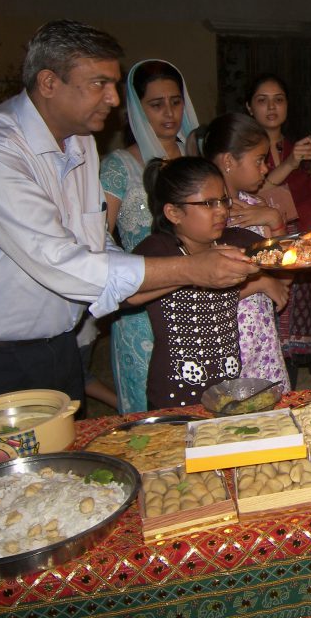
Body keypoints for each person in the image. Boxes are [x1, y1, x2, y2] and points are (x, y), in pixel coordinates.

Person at [0, 19, 257, 403]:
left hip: (58, 349)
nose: (114, 99)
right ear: (49, 83)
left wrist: (152, 278)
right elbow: (59, 261)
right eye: (100, 84)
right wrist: (188, 269)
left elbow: (94, 244)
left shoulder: (79, 143)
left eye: (114, 84)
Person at [128, 157, 279, 408]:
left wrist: (276, 221)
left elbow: (283, 256)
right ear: (174, 212)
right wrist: (192, 272)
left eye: (222, 200)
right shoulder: (157, 251)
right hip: (176, 392)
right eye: (208, 203)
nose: (221, 210)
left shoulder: (234, 241)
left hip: (227, 387)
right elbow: (121, 295)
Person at [100, 59, 200, 413]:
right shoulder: (119, 166)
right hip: (143, 312)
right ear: (135, 110)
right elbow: (97, 242)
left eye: (176, 101)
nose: (169, 113)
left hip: (199, 306)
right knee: (152, 421)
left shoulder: (197, 159)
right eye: (156, 105)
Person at [246, 73, 311, 388]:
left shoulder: (298, 150)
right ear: (249, 107)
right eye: (262, 100)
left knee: (304, 337)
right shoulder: (240, 151)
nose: (271, 107)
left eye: (279, 99)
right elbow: (249, 195)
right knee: (264, 336)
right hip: (261, 252)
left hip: (300, 253)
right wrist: (291, 164)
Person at [201, 113, 291, 392]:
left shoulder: (256, 205)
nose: (266, 168)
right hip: (224, 338)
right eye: (259, 160)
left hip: (261, 340)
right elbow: (198, 292)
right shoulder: (201, 215)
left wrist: (274, 220)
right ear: (229, 161)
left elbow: (285, 279)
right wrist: (260, 283)